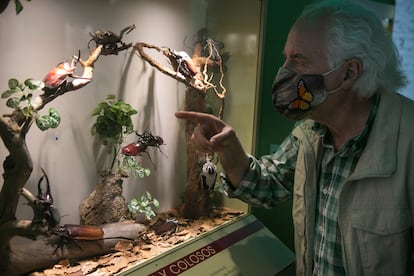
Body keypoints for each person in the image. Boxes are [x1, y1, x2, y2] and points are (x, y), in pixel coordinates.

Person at [175, 0, 414, 275]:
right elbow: (269, 186)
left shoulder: (406, 139)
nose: (285, 72)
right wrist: (228, 148)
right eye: (286, 58)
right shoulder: (312, 129)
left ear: (348, 72)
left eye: (298, 61)